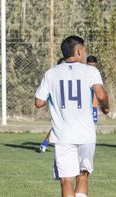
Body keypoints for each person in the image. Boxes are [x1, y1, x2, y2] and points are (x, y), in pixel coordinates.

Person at [35, 35, 110, 197]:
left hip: (63, 136)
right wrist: (107, 108)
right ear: (78, 51)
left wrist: (54, 96)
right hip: (86, 134)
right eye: (83, 50)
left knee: (66, 180)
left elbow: (39, 102)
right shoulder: (91, 71)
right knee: (83, 175)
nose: (84, 53)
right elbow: (101, 94)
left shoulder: (51, 73)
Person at [39, 56, 101, 153]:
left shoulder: (92, 73)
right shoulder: (83, 73)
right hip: (76, 107)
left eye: (94, 65)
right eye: (90, 64)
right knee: (62, 126)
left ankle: (83, 145)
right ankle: (45, 144)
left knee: (87, 126)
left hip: (90, 107)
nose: (92, 66)